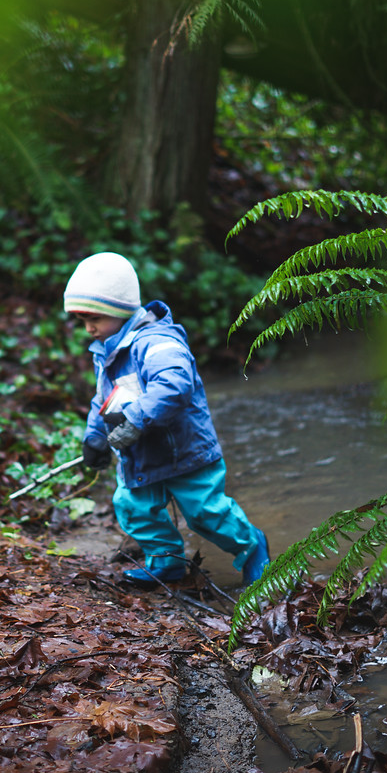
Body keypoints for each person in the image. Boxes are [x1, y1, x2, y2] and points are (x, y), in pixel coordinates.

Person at [64, 251, 269, 588]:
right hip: (141, 457)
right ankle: (166, 562)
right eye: (82, 321)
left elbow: (175, 385)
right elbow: (104, 400)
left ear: (119, 309)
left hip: (185, 453)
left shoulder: (157, 341)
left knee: (207, 514)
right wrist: (95, 435)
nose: (88, 329)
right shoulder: (107, 350)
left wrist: (135, 420)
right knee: (135, 509)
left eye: (94, 319)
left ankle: (252, 547)